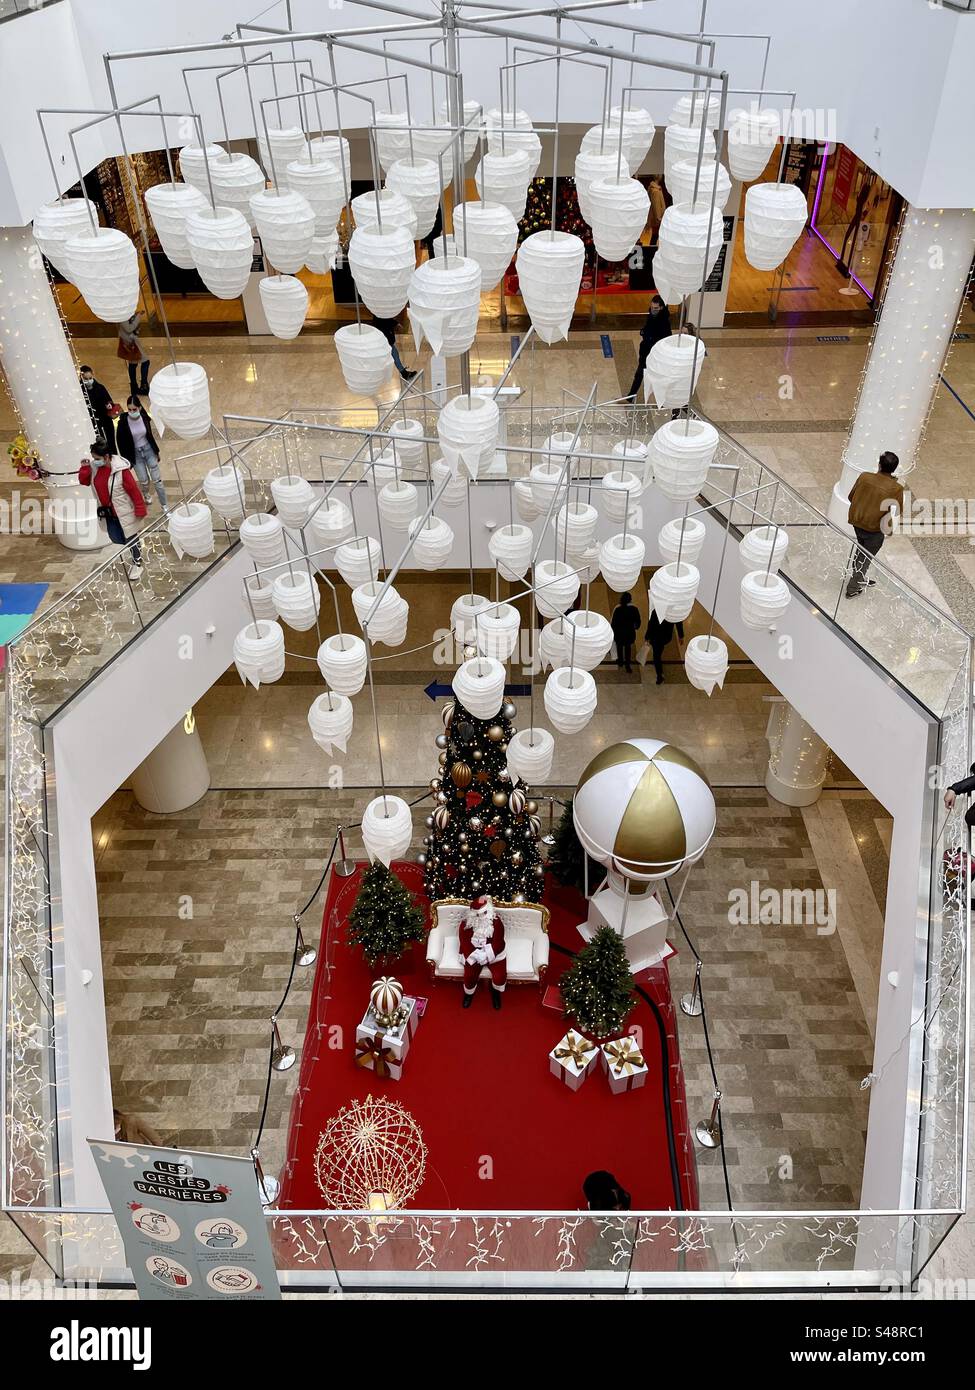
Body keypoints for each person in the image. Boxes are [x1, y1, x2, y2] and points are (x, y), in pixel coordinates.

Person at [79, 438, 147, 579]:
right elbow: (84, 481)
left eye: (96, 458)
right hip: (108, 512)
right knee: (116, 537)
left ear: (107, 457)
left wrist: (140, 508)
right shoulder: (95, 467)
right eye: (93, 458)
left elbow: (134, 490)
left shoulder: (121, 470)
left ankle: (137, 562)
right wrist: (85, 468)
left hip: (124, 511)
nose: (94, 460)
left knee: (131, 538)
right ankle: (136, 546)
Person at [844, 451, 904, 598]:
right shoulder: (896, 489)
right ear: (894, 469)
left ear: (879, 464)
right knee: (865, 557)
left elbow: (851, 496)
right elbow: (897, 510)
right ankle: (852, 588)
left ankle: (859, 577)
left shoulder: (864, 477)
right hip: (874, 528)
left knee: (861, 550)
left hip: (857, 522)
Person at [115, 396, 167, 509]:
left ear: (139, 408)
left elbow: (150, 436)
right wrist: (126, 460)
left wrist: (156, 451)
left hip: (149, 451)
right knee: (144, 480)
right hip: (136, 454)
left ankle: (164, 505)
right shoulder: (123, 422)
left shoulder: (144, 418)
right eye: (129, 410)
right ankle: (146, 493)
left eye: (134, 409)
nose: (132, 412)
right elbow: (120, 442)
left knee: (157, 481)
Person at [459, 893, 506, 1010]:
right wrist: (475, 955)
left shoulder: (497, 922)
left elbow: (498, 942)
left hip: (494, 954)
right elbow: (464, 942)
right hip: (473, 953)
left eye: (484, 913)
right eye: (478, 915)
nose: (482, 917)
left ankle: (495, 993)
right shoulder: (466, 924)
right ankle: (469, 994)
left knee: (500, 976)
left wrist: (486, 955)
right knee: (469, 976)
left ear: (488, 910)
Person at [626, 294, 672, 400]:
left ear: (661, 307)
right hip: (646, 351)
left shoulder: (664, 322)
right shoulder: (652, 315)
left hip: (655, 353)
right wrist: (644, 332)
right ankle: (630, 397)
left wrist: (649, 338)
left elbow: (665, 339)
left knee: (655, 376)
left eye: (655, 308)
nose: (653, 310)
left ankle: (668, 398)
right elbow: (648, 327)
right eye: (652, 307)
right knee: (639, 374)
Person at [372, 310, 417, 381]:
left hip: (385, 339)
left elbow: (386, 321)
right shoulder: (380, 314)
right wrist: (396, 323)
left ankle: (404, 373)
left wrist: (396, 323)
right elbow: (385, 322)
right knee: (390, 356)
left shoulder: (379, 312)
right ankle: (403, 373)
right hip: (385, 339)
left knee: (394, 354)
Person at [79, 366, 116, 446]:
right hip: (93, 424)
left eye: (90, 378)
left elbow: (109, 400)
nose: (88, 381)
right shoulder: (80, 392)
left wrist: (109, 405)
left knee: (111, 443)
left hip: (106, 421)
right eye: (86, 379)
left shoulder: (100, 387)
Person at [117, 310, 151, 396]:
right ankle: (143, 385)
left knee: (133, 364)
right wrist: (138, 316)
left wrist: (135, 315)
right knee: (145, 361)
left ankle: (134, 386)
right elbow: (129, 328)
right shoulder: (122, 315)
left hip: (129, 341)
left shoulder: (123, 313)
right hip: (130, 342)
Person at [610, 592, 642, 673]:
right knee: (628, 648)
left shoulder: (618, 609)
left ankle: (620, 661)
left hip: (619, 633)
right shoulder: (634, 609)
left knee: (619, 647)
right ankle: (627, 665)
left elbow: (613, 623)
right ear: (630, 600)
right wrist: (636, 626)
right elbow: (638, 621)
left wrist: (614, 631)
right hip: (629, 633)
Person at [645, 610, 677, 685]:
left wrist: (647, 636)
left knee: (656, 656)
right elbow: (678, 621)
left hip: (655, 637)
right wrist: (681, 635)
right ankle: (657, 664)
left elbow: (650, 625)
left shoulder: (655, 612)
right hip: (664, 637)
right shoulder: (672, 613)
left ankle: (659, 675)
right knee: (658, 652)